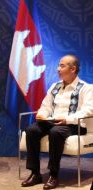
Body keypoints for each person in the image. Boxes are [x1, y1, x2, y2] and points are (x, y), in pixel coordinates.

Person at [21, 55, 93, 189]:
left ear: (73, 69)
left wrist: (68, 119)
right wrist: (42, 115)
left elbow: (88, 110)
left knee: (56, 132)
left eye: (62, 65)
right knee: (32, 130)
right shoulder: (55, 86)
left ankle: (53, 175)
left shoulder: (86, 88)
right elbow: (46, 106)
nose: (58, 69)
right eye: (58, 65)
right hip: (53, 122)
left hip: (74, 124)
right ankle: (35, 173)